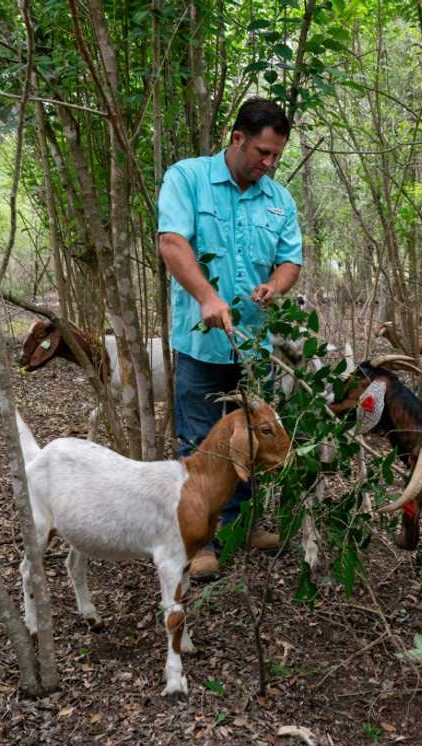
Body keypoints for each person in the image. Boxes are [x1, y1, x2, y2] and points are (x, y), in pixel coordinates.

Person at [158, 98, 302, 579]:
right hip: (201, 346)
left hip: (254, 347)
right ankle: (201, 541)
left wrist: (275, 286)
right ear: (237, 138)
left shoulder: (279, 200)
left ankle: (243, 525)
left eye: (277, 155)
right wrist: (205, 296)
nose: (269, 163)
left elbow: (290, 261)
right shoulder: (187, 178)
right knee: (201, 441)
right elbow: (172, 242)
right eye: (263, 151)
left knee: (252, 441)